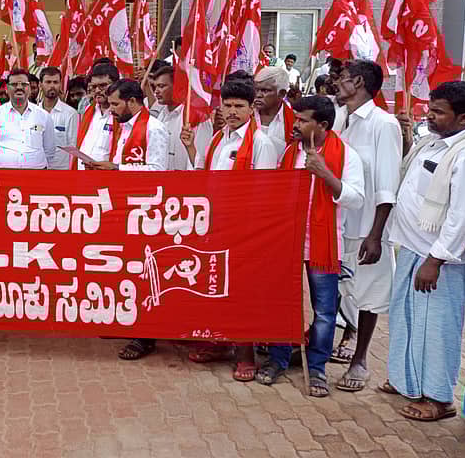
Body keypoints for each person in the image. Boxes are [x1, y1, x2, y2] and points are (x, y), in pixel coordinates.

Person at [257, 95, 364, 397]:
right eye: (296, 118)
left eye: (303, 120)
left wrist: (325, 173)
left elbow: (357, 198)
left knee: (325, 311)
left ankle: (316, 368)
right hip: (288, 240)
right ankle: (277, 359)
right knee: (282, 303)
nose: (296, 124)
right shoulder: (288, 152)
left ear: (323, 125)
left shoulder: (347, 155)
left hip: (324, 244)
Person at [383, 81, 465, 422]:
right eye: (430, 109)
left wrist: (435, 260)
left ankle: (438, 398)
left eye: (438, 112)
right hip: (412, 247)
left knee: (436, 329)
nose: (429, 116)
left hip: (440, 260)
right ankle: (407, 380)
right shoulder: (432, 142)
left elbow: (461, 216)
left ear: (464, 118)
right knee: (407, 320)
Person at [181, 78, 278, 381]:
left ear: (251, 109)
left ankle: (245, 355)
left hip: (245, 230)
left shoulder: (261, 143)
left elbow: (265, 193)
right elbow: (202, 175)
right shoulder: (217, 139)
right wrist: (190, 147)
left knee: (242, 291)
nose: (232, 111)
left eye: (239, 106)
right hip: (216, 226)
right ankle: (219, 342)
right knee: (215, 286)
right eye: (228, 105)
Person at [328, 60, 402, 393]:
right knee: (340, 289)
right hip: (338, 221)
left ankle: (360, 359)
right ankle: (331, 340)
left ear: (357, 82)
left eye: (342, 78)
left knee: (369, 294)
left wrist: (376, 234)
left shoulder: (383, 124)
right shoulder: (339, 119)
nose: (337, 82)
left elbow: (387, 184)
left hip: (367, 227)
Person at [88, 78, 170, 361]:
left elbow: (158, 170)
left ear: (132, 102)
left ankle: (145, 335)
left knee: (141, 272)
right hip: (121, 207)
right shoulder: (123, 126)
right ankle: (126, 321)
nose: (110, 109)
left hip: (145, 211)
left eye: (115, 104)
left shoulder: (154, 128)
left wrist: (117, 168)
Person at [0, 68, 56, 169]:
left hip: (37, 173)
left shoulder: (44, 116)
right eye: (14, 84)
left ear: (29, 88)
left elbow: (49, 149)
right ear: (7, 88)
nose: (19, 87)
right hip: (4, 174)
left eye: (24, 84)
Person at [150, 66, 213, 170]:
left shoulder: (197, 116)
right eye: (155, 87)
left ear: (177, 87)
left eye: (161, 86)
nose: (156, 91)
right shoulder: (162, 115)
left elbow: (201, 159)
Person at [73, 62, 120, 169]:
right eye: (93, 87)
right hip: (82, 174)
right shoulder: (88, 111)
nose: (97, 90)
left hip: (108, 176)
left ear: (116, 85)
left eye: (103, 86)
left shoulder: (123, 115)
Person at [39, 66, 79, 170]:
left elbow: (73, 148)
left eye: (55, 82)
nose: (52, 86)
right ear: (40, 85)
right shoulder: (33, 113)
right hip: (37, 170)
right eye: (48, 82)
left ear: (60, 84)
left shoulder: (71, 114)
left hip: (61, 172)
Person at [254, 66, 294, 157]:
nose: (258, 95)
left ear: (281, 94)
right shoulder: (243, 115)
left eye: (265, 90)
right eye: (256, 90)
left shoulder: (294, 121)